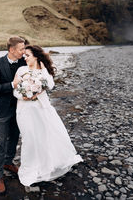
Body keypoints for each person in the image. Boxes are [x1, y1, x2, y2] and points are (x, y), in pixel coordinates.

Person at [13, 45, 83, 187]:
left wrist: (43, 71)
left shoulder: (43, 71)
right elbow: (15, 90)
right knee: (29, 137)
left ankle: (47, 165)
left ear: (36, 56)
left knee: (46, 134)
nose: (25, 58)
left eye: (28, 55)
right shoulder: (21, 70)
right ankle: (31, 167)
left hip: (41, 108)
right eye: (24, 55)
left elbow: (50, 85)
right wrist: (25, 95)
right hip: (24, 109)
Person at [0, 36, 27, 193]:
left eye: (24, 49)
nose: (24, 51)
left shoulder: (24, 62)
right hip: (3, 110)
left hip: (20, 108)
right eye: (21, 49)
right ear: (11, 50)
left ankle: (8, 162)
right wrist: (12, 85)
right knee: (1, 142)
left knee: (14, 137)